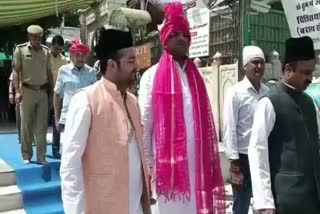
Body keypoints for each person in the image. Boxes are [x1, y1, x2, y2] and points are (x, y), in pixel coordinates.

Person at [139, 3, 226, 214]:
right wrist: (147, 171)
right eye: (175, 33)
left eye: (185, 34)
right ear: (165, 38)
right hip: (167, 170)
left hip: (198, 167)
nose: (181, 38)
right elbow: (145, 127)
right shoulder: (151, 76)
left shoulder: (196, 77)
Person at [60, 27, 151, 214]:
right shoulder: (86, 100)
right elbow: (70, 165)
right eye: (131, 61)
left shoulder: (133, 101)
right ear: (112, 65)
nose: (136, 67)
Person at [248, 36, 320, 214]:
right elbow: (257, 152)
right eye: (305, 73)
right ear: (288, 70)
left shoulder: (309, 103)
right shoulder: (269, 102)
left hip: (312, 199)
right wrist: (265, 202)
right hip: (285, 200)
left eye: (312, 72)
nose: (310, 78)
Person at [223, 46, 269, 214]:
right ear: (245, 67)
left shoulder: (268, 92)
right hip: (242, 159)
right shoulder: (235, 93)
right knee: (241, 205)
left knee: (264, 203)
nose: (259, 67)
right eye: (254, 62)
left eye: (262, 63)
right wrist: (235, 167)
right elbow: (229, 129)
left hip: (263, 157)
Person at [12, 25, 53, 165]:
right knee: (26, 125)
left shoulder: (46, 52)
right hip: (27, 91)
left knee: (41, 126)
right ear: (29, 37)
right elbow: (16, 71)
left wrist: (51, 93)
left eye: (39, 38)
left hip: (42, 91)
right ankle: (26, 155)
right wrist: (16, 91)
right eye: (35, 38)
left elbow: (49, 74)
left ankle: (41, 156)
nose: (37, 40)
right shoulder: (20, 50)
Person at [53, 39, 96, 134]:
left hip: (86, 117)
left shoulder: (91, 72)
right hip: (68, 117)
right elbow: (57, 94)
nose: (80, 58)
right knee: (68, 147)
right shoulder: (63, 71)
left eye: (83, 55)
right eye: (77, 55)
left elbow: (95, 96)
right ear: (71, 56)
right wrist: (57, 118)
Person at [50, 35, 68, 159]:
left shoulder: (64, 60)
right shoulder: (45, 57)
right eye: (55, 48)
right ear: (51, 46)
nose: (57, 51)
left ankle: (55, 149)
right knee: (41, 121)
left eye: (59, 49)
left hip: (59, 96)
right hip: (46, 93)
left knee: (57, 121)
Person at [8, 70, 21, 144]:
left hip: (31, 95)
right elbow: (11, 83)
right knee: (19, 118)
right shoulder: (16, 70)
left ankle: (31, 137)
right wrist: (10, 93)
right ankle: (20, 136)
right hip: (19, 97)